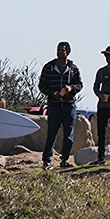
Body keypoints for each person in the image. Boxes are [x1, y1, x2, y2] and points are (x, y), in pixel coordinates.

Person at [38, 41, 83, 169]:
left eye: (62, 50)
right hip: (54, 106)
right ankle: (47, 161)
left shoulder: (73, 69)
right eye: (58, 50)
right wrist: (51, 93)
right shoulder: (49, 67)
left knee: (68, 135)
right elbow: (41, 85)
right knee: (51, 134)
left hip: (69, 105)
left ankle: (64, 159)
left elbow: (79, 84)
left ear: (67, 52)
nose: (59, 52)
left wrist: (70, 88)